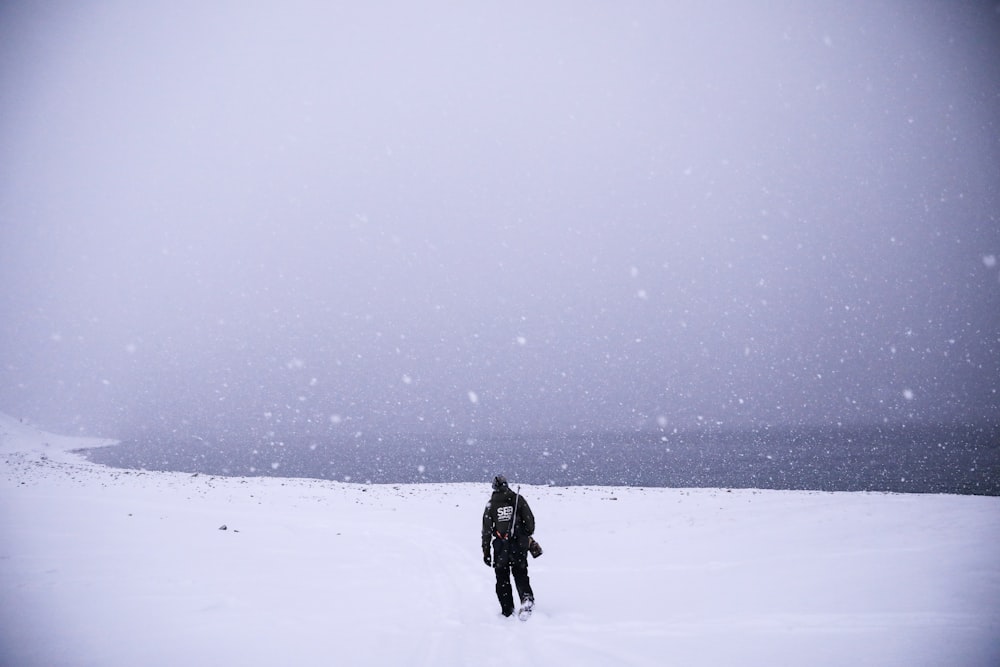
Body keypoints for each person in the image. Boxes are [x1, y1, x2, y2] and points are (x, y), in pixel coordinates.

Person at [481, 475, 535, 618]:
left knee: (502, 578)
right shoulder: (518, 500)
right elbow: (530, 524)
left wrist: (486, 551)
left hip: (500, 548)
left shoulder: (491, 505)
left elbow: (486, 531)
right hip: (519, 545)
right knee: (520, 573)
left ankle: (507, 611)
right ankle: (527, 599)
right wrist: (524, 534)